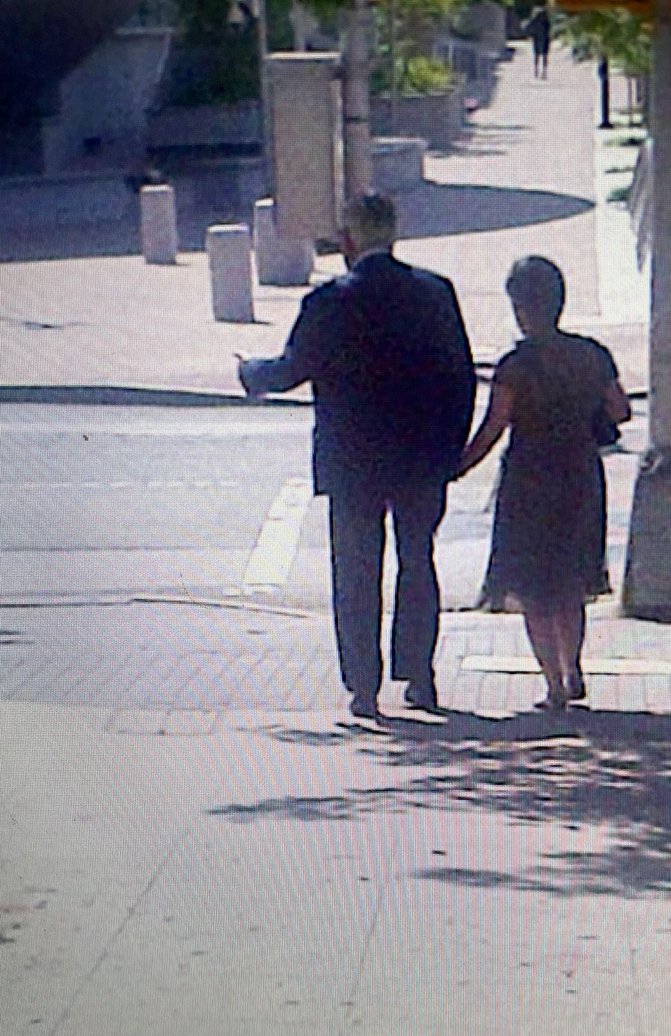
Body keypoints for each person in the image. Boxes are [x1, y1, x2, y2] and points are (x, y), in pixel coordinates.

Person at [237, 193, 476, 719]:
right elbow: (462, 378)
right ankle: (419, 676)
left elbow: (292, 368)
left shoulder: (328, 302)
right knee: (418, 562)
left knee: (356, 571)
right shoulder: (436, 294)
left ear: (348, 239)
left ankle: (364, 686)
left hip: (353, 461)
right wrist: (451, 452)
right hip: (420, 458)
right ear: (394, 233)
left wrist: (251, 374)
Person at [455, 257, 630, 711]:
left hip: (528, 483)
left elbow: (494, 427)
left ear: (520, 308)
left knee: (534, 588)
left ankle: (553, 684)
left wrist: (458, 467)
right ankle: (573, 668)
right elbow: (620, 410)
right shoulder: (592, 354)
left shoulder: (515, 366)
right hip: (579, 476)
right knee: (572, 581)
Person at [525, 4, 551, 80]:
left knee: (537, 55)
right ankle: (543, 71)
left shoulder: (535, 21)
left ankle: (538, 71)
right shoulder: (545, 21)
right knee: (544, 56)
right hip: (544, 39)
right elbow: (548, 29)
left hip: (538, 39)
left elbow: (529, 29)